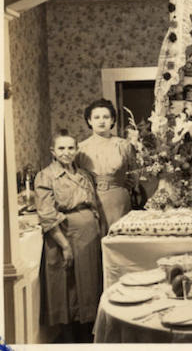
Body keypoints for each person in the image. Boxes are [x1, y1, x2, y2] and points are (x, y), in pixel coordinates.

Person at [35, 129, 102, 342]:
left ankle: (88, 337)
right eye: (61, 148)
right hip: (65, 234)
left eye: (71, 148)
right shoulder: (45, 176)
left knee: (89, 284)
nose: (67, 152)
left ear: (77, 149)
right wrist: (64, 245)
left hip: (89, 236)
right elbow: (47, 214)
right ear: (53, 152)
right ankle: (69, 340)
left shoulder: (84, 174)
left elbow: (94, 205)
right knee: (67, 286)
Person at [76, 99, 138, 234]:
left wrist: (121, 187)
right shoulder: (80, 149)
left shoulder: (124, 146)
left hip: (118, 200)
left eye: (106, 117)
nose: (101, 121)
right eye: (96, 117)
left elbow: (134, 175)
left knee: (119, 238)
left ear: (112, 120)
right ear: (89, 121)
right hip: (90, 201)